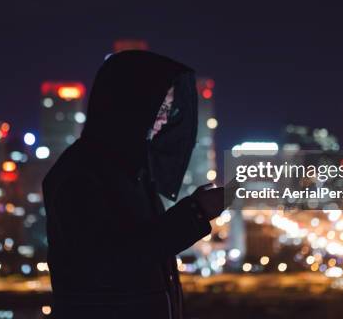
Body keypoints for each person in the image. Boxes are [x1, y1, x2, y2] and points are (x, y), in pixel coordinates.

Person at [42, 50, 228, 318]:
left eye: (169, 109)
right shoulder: (80, 175)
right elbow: (111, 262)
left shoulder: (129, 170)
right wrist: (195, 212)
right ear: (130, 104)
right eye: (160, 108)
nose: (165, 120)